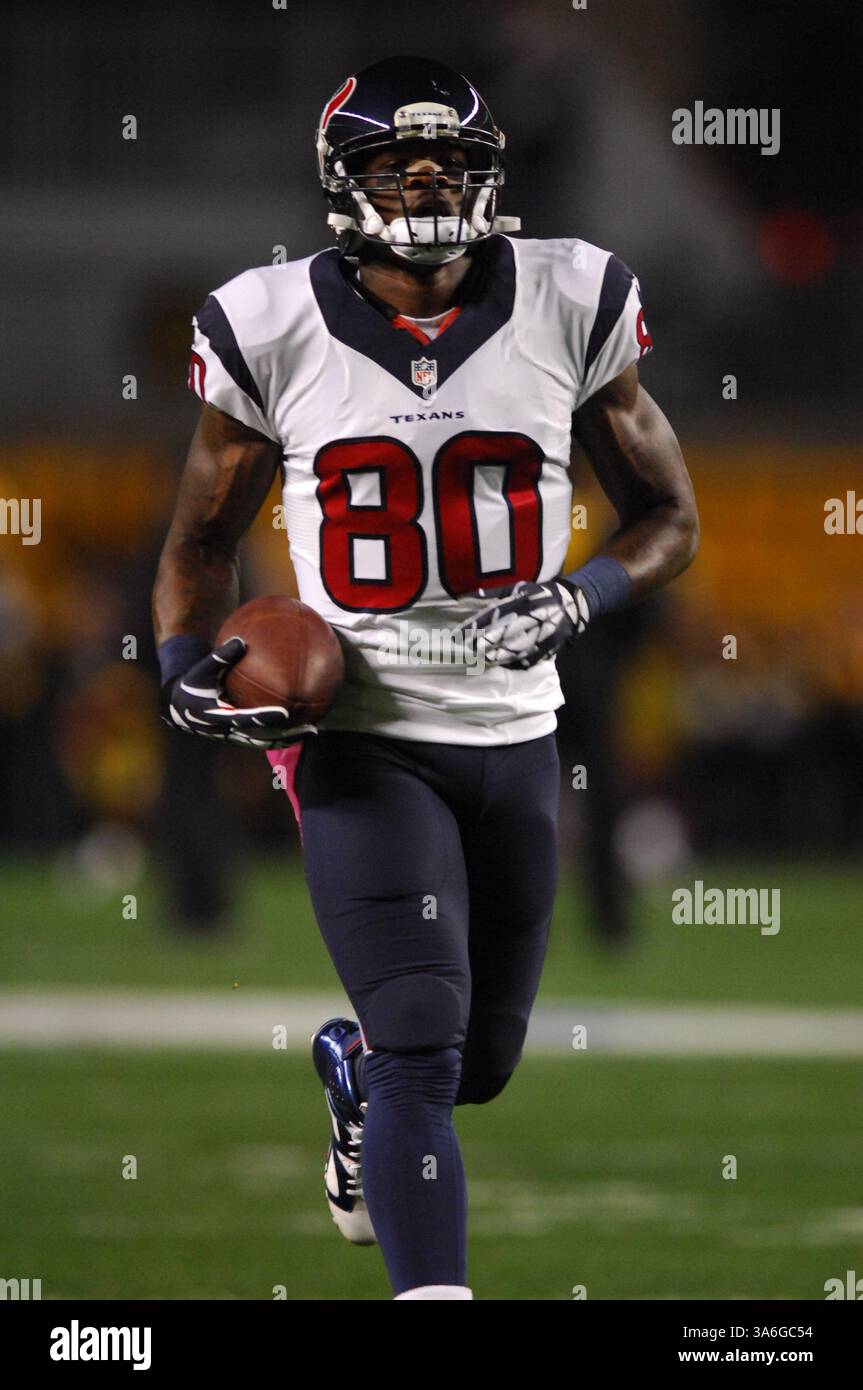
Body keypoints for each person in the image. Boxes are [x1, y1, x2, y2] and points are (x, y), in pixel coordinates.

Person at [152, 56, 699, 1300]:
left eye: (445, 164)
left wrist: (578, 594)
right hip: (356, 727)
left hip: (514, 727)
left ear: (486, 174)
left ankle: (348, 1074)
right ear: (343, 186)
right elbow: (197, 539)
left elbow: (668, 518)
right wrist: (187, 665)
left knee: (481, 1060)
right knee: (419, 1051)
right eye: (396, 169)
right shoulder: (269, 320)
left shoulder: (572, 295)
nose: (424, 187)